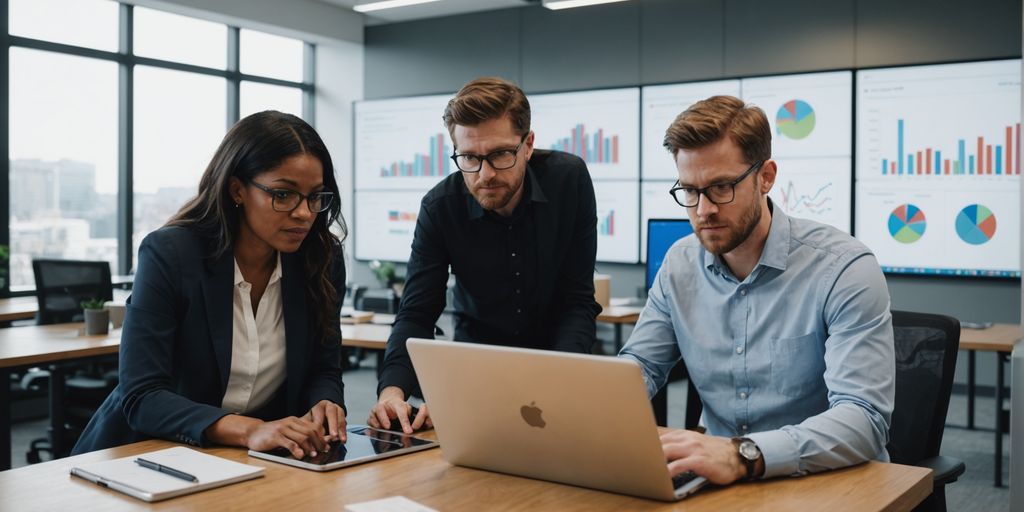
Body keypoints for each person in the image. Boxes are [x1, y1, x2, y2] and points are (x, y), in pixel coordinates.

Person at [619, 95, 895, 485]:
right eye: (690, 191)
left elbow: (863, 419)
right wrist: (591, 413)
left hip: (829, 480)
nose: (703, 210)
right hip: (720, 477)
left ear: (765, 176)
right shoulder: (679, 264)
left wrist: (743, 454)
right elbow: (641, 367)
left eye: (720, 187)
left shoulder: (843, 269)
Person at [73, 111, 348, 459]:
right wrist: (250, 429)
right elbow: (142, 395)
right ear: (237, 190)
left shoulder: (321, 260)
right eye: (284, 195)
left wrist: (325, 401)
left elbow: (324, 367)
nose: (304, 213)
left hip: (251, 460)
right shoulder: (171, 255)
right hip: (146, 453)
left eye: (315, 197)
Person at [368, 77, 602, 433]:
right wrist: (391, 391)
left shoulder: (568, 181)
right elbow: (416, 312)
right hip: (478, 371)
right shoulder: (439, 207)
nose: (485, 174)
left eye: (500, 155)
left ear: (528, 145)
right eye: (469, 158)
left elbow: (577, 300)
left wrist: (559, 381)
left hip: (558, 358)